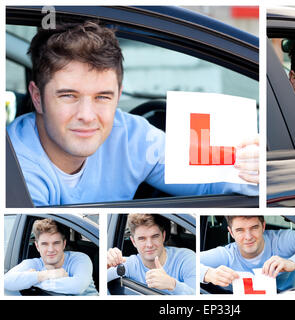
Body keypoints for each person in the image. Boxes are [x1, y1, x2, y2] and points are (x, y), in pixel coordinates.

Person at [6, 21, 259, 207]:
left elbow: (208, 181)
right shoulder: (14, 167)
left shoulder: (132, 137)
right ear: (37, 97)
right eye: (68, 96)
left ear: (118, 95)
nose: (87, 115)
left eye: (102, 97)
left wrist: (250, 168)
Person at [200, 216, 295, 293]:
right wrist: (208, 274)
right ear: (231, 232)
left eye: (254, 228)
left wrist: (292, 262)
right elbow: (190, 262)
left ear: (263, 227)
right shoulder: (226, 255)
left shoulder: (281, 241)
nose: (248, 237)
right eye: (240, 230)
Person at [4, 218, 98, 296]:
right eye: (44, 244)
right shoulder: (33, 263)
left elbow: (78, 286)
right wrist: (47, 274)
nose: (51, 249)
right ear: (37, 246)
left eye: (56, 243)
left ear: (64, 244)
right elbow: (5, 281)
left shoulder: (80, 259)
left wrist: (33, 280)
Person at [107, 214, 195, 295]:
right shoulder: (130, 264)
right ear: (133, 241)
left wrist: (173, 284)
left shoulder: (185, 258)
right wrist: (107, 264)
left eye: (155, 236)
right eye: (142, 239)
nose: (149, 244)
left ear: (163, 236)